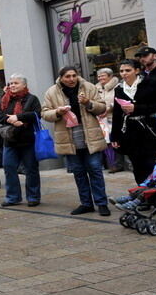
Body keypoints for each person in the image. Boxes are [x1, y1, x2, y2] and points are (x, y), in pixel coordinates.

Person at [41, 66, 110, 216]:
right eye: (67, 76)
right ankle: (86, 203)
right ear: (61, 78)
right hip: (68, 138)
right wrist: (57, 112)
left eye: (73, 76)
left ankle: (102, 203)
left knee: (95, 170)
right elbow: (45, 113)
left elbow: (102, 108)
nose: (71, 79)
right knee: (78, 172)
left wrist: (88, 103)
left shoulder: (89, 87)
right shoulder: (52, 92)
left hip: (90, 136)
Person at [111, 59, 156, 185]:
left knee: (150, 163)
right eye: (121, 71)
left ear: (137, 71)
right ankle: (142, 194)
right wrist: (115, 136)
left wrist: (137, 108)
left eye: (128, 70)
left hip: (147, 127)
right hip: (129, 131)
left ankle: (155, 194)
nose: (124, 73)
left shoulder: (150, 83)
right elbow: (117, 114)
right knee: (136, 164)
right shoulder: (119, 89)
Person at [0, 74, 42, 207]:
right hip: (10, 140)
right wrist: (11, 120)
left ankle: (33, 197)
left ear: (24, 85)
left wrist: (19, 117)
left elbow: (37, 114)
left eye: (16, 83)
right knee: (9, 167)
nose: (12, 86)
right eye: (11, 83)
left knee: (31, 169)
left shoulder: (32, 99)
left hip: (28, 140)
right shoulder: (5, 99)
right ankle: (13, 197)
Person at [95, 68, 123, 173]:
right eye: (99, 76)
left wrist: (109, 108)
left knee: (114, 140)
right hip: (101, 119)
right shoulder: (96, 88)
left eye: (103, 75)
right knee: (105, 142)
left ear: (110, 76)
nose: (100, 78)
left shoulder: (118, 86)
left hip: (113, 117)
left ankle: (118, 164)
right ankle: (109, 164)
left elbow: (118, 100)